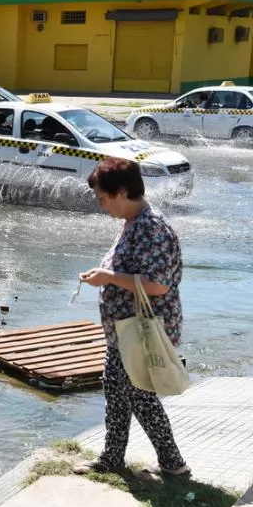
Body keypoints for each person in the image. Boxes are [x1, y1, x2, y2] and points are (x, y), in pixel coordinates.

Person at [74, 157, 190, 478]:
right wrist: (105, 275)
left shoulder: (151, 228)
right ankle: (112, 457)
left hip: (142, 328)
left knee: (139, 395)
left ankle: (173, 463)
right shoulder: (132, 223)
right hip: (123, 329)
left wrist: (108, 277)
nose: (101, 205)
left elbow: (157, 284)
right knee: (115, 389)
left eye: (103, 198)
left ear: (122, 191)